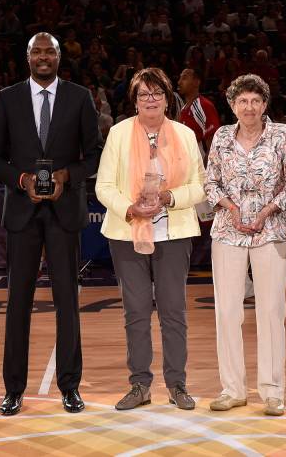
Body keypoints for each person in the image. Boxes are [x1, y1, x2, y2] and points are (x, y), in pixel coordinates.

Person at [0, 32, 101, 416]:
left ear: (58, 57)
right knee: (17, 303)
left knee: (67, 302)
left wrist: (66, 178)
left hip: (64, 212)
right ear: (27, 57)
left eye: (49, 51)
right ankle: (13, 389)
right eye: (36, 51)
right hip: (22, 213)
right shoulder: (7, 99)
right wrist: (21, 180)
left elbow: (95, 155)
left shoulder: (79, 96)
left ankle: (69, 386)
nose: (43, 57)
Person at [95, 67, 205, 411]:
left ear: (167, 98)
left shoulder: (185, 135)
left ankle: (177, 384)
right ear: (135, 100)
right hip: (127, 234)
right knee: (136, 312)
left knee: (174, 311)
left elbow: (200, 186)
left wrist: (170, 197)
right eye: (144, 94)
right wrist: (130, 209)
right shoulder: (118, 133)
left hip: (174, 232)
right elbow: (103, 186)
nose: (151, 100)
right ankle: (140, 384)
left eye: (157, 93)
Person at [204, 73, 286, 416]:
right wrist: (231, 210)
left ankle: (273, 392)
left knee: (271, 311)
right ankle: (232, 389)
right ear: (232, 105)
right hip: (228, 232)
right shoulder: (221, 137)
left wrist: (265, 212)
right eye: (242, 101)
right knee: (227, 312)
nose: (249, 107)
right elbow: (210, 183)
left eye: (255, 100)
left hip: (271, 231)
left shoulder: (283, 135)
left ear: (264, 104)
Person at [176, 68, 220, 154]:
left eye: (184, 78)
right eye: (180, 78)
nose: (179, 82)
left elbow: (213, 147)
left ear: (196, 82)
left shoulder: (203, 106)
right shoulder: (183, 109)